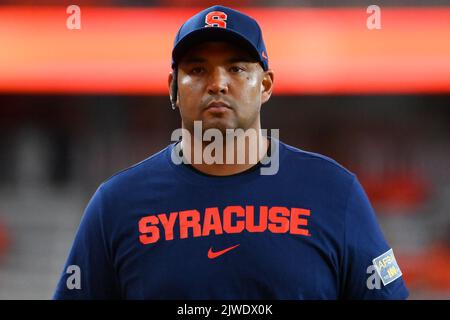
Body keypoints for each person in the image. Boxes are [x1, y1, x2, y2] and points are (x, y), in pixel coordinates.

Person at [53, 5, 409, 299]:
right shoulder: (116, 204)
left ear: (266, 85)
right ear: (173, 88)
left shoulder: (334, 191)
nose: (217, 83)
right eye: (196, 69)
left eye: (237, 68)